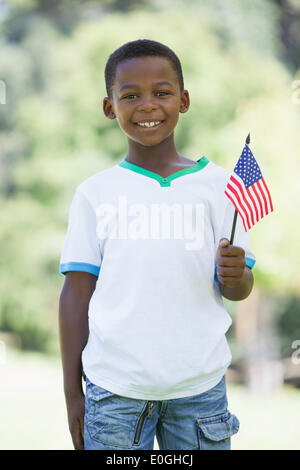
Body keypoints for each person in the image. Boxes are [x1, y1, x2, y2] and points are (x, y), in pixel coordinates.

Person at [59, 39, 256, 451]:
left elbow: (237, 289)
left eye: (162, 93)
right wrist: (73, 395)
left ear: (183, 101)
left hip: (199, 390)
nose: (147, 105)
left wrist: (239, 276)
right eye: (130, 95)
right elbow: (76, 295)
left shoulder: (221, 186)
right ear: (109, 106)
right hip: (115, 392)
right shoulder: (95, 193)